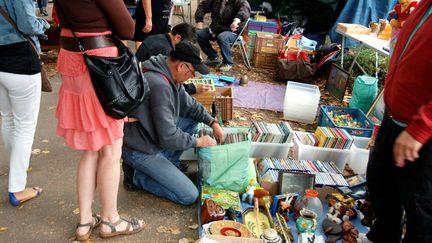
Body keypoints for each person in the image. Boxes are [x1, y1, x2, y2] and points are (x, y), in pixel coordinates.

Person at [54, 0, 144, 240]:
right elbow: (127, 29)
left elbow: (57, 18)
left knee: (91, 149)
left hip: (72, 60)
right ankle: (110, 220)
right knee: (111, 152)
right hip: (99, 66)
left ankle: (85, 222)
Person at [121, 42, 225, 205]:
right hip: (141, 150)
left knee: (192, 119)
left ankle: (168, 164)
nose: (193, 77)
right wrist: (198, 142)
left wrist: (212, 123)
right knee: (189, 195)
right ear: (182, 66)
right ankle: (136, 177)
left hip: (152, 137)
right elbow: (168, 136)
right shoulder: (160, 84)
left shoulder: (167, 72)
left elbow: (189, 105)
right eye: (193, 72)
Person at [364, 0, 432, 242]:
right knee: (380, 185)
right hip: (395, 118)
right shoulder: (424, 6)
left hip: (422, 135)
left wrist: (421, 130)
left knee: (420, 212)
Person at [0, 0, 49, 207]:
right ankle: (17, 189)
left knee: (9, 119)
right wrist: (44, 25)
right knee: (25, 127)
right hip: (20, 59)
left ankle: (17, 166)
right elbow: (28, 24)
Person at [135, 22, 211, 95]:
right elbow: (170, 82)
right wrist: (193, 88)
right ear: (177, 37)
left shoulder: (161, 39)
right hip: (140, 86)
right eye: (187, 44)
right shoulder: (163, 49)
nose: (187, 48)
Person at [195, 0, 251, 72]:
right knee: (198, 34)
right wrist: (199, 20)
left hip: (234, 31)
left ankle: (228, 63)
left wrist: (236, 21)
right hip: (216, 29)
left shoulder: (239, 1)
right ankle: (213, 58)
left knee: (222, 36)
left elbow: (245, 9)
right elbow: (203, 6)